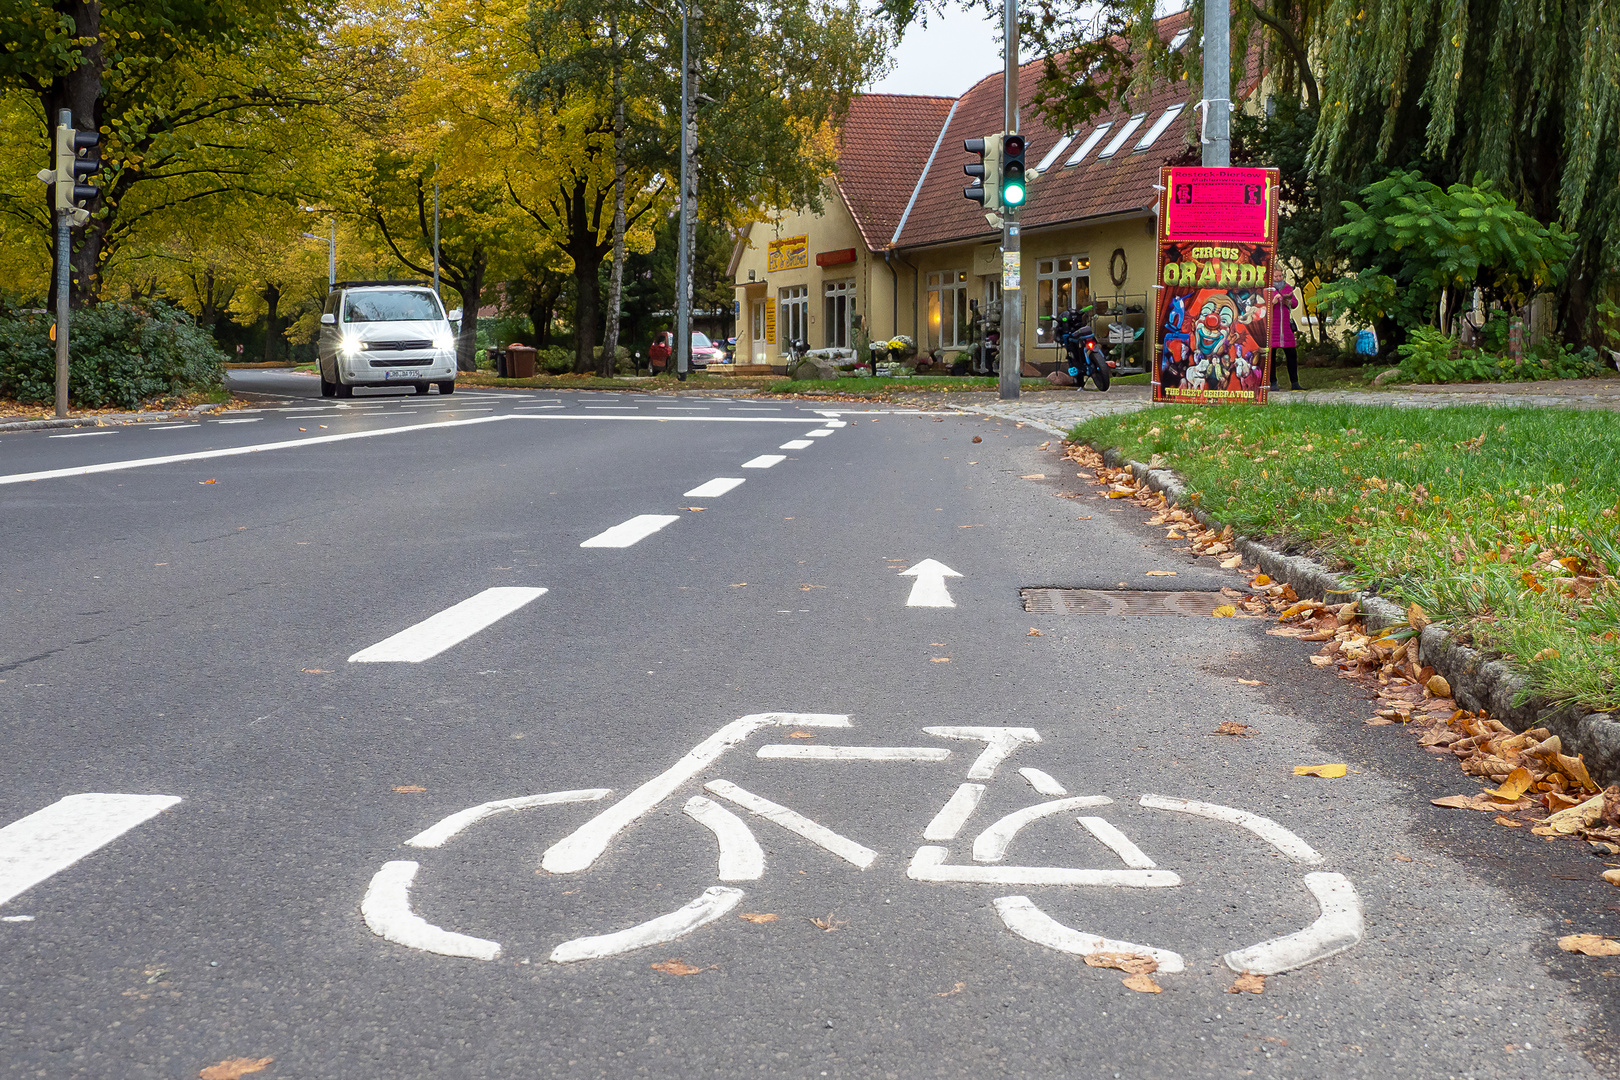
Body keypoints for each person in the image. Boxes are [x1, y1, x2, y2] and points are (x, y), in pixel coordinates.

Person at [1267, 276, 1303, 391]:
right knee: (1271, 356)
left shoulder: (1287, 287)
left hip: (1286, 328)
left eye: (1280, 276)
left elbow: (1295, 303)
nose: (1278, 278)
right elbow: (1262, 306)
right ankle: (1273, 383)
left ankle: (1295, 383)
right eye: (1276, 276)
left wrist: (1289, 301)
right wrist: (1273, 302)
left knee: (1292, 354)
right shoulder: (1267, 289)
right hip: (1273, 327)